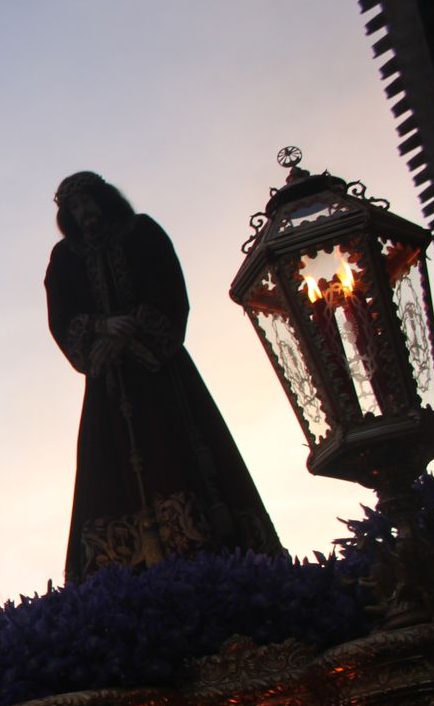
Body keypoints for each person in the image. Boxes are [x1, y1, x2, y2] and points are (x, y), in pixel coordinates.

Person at [46, 172, 280, 583]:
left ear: (105, 200)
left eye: (89, 203)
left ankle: (213, 557)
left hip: (160, 372)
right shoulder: (65, 258)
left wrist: (134, 328)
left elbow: (171, 291)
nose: (85, 214)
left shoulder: (141, 233)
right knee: (109, 466)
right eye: (75, 209)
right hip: (109, 381)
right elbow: (61, 315)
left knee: (179, 448)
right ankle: (123, 573)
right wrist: (101, 328)